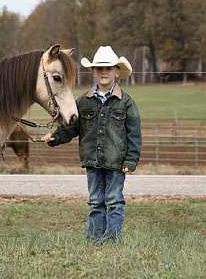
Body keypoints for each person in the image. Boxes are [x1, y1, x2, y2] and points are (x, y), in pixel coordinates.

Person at [47, 45, 142, 244]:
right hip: (92, 160)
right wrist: (55, 137)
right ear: (93, 72)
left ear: (117, 72)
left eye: (108, 68)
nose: (104, 72)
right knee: (96, 201)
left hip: (116, 162)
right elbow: (72, 128)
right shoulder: (83, 102)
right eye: (99, 68)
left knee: (114, 201)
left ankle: (111, 239)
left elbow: (134, 134)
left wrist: (131, 159)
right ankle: (95, 238)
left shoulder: (126, 102)